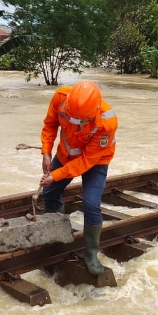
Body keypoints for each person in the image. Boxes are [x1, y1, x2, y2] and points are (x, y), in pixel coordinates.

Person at [39, 80, 118, 276]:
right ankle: (59, 234)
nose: (74, 124)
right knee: (49, 193)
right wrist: (46, 152)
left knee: (91, 204)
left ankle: (91, 253)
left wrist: (55, 175)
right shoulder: (60, 97)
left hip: (95, 161)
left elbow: (85, 162)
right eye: (71, 118)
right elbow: (50, 125)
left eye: (80, 121)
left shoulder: (107, 123)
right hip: (66, 155)